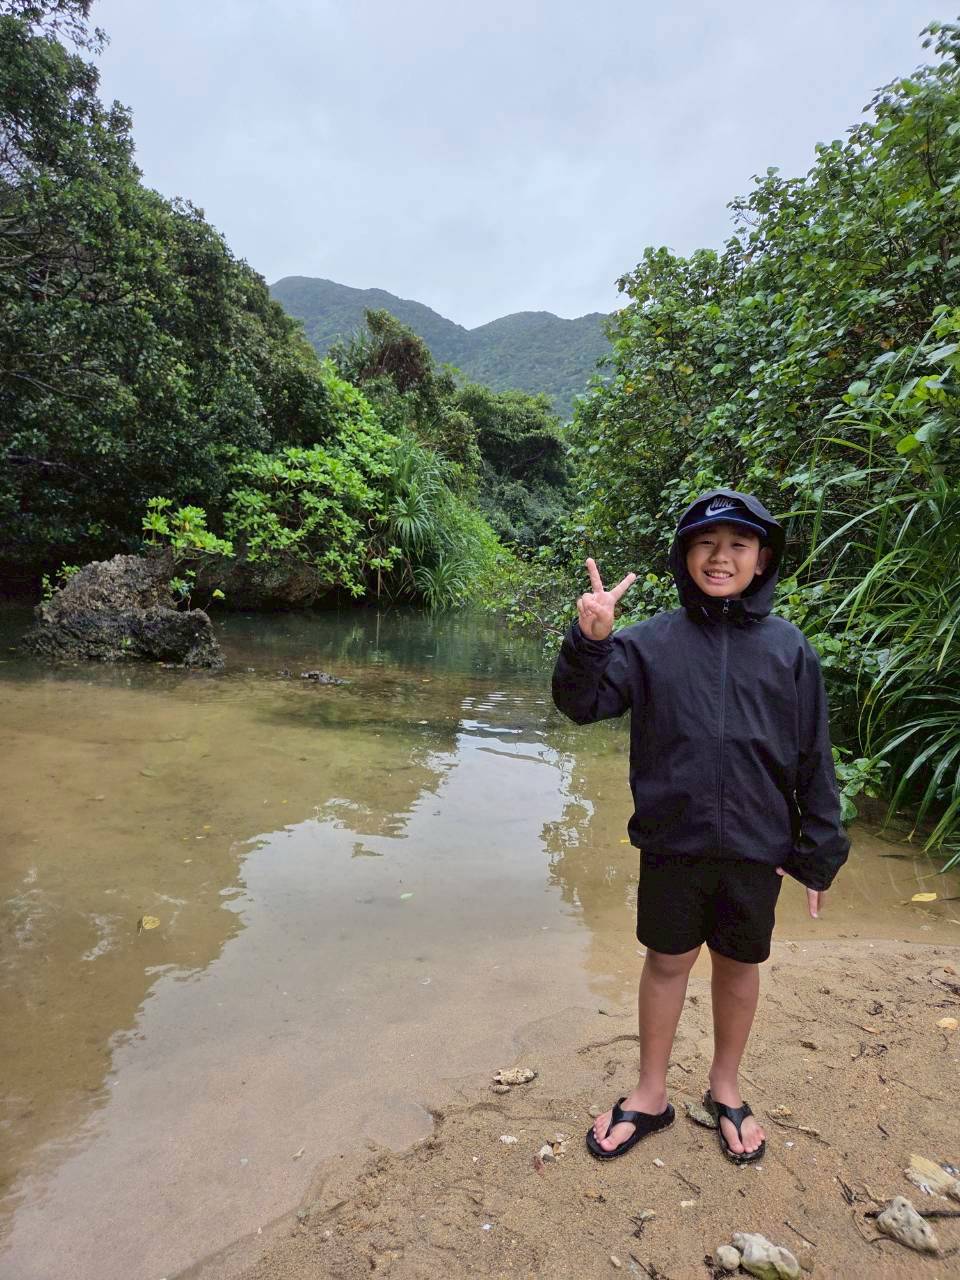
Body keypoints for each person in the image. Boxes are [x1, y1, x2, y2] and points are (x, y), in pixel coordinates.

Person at [551, 488, 849, 1165]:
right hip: (672, 841)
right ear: (685, 556)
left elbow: (813, 754)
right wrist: (590, 641)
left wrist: (819, 849)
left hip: (757, 845)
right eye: (706, 544)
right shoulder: (649, 642)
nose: (721, 557)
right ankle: (650, 1093)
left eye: (738, 545)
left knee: (740, 967)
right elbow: (580, 704)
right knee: (666, 963)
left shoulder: (789, 648)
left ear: (761, 559)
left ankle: (725, 1088)